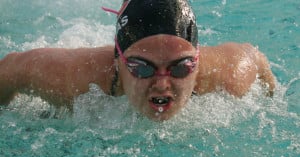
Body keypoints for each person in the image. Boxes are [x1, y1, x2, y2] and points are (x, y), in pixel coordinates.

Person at [0, 0, 275, 121]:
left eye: (181, 66)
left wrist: (271, 96)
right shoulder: (76, 78)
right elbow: (10, 67)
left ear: (198, 60)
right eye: (142, 67)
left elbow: (257, 59)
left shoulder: (230, 73)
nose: (162, 83)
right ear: (118, 60)